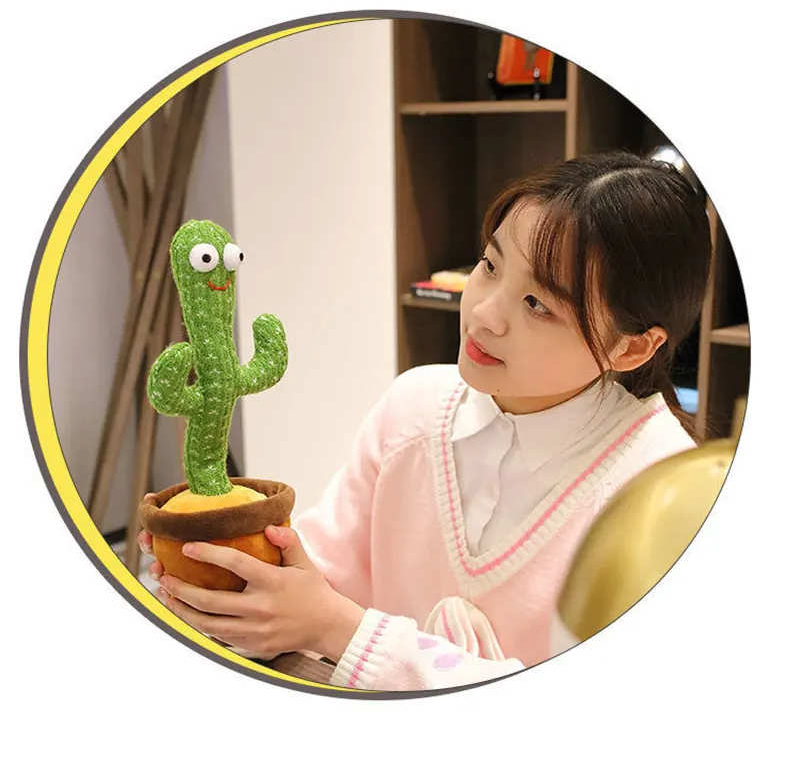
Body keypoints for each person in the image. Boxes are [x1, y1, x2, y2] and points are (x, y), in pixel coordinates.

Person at [138, 151, 712, 692]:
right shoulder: (414, 408)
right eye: (490, 265)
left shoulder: (665, 499)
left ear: (632, 348)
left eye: (538, 304)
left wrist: (342, 631)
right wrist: (225, 577)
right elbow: (320, 577)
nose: (484, 312)